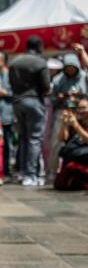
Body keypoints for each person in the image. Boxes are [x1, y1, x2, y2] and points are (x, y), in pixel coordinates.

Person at [9, 36, 51, 186]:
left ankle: (22, 172)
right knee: (34, 139)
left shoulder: (14, 62)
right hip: (34, 101)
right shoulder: (40, 62)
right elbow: (46, 86)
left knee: (24, 138)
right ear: (39, 46)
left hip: (17, 102)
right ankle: (30, 174)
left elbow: (11, 84)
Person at [47, 53, 86, 182]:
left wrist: (80, 96)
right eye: (67, 67)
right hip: (64, 111)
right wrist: (60, 97)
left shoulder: (84, 77)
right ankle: (52, 172)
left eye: (72, 67)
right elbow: (52, 99)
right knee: (57, 142)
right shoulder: (58, 80)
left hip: (82, 112)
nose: (70, 70)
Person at [54, 96, 88, 190]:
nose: (81, 111)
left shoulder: (77, 123)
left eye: (84, 108)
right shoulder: (77, 121)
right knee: (60, 184)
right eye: (79, 108)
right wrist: (64, 124)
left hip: (84, 158)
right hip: (75, 156)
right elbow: (62, 138)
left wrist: (76, 126)